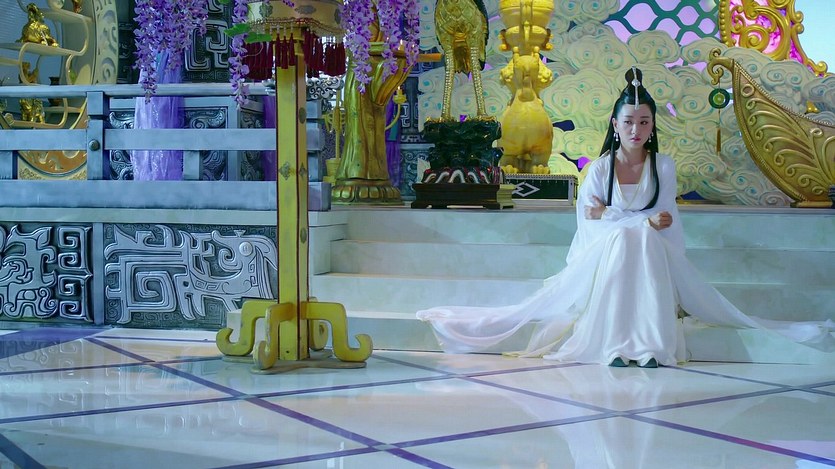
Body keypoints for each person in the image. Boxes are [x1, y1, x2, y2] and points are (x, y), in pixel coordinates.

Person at [417, 67, 834, 367]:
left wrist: (624, 217)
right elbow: (591, 222)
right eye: (629, 122)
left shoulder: (663, 166)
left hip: (652, 251)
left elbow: (664, 218)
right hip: (606, 254)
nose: (636, 129)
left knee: (641, 238)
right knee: (627, 238)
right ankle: (614, 344)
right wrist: (637, 221)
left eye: (644, 122)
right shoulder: (599, 169)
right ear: (615, 125)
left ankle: (651, 345)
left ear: (652, 127)